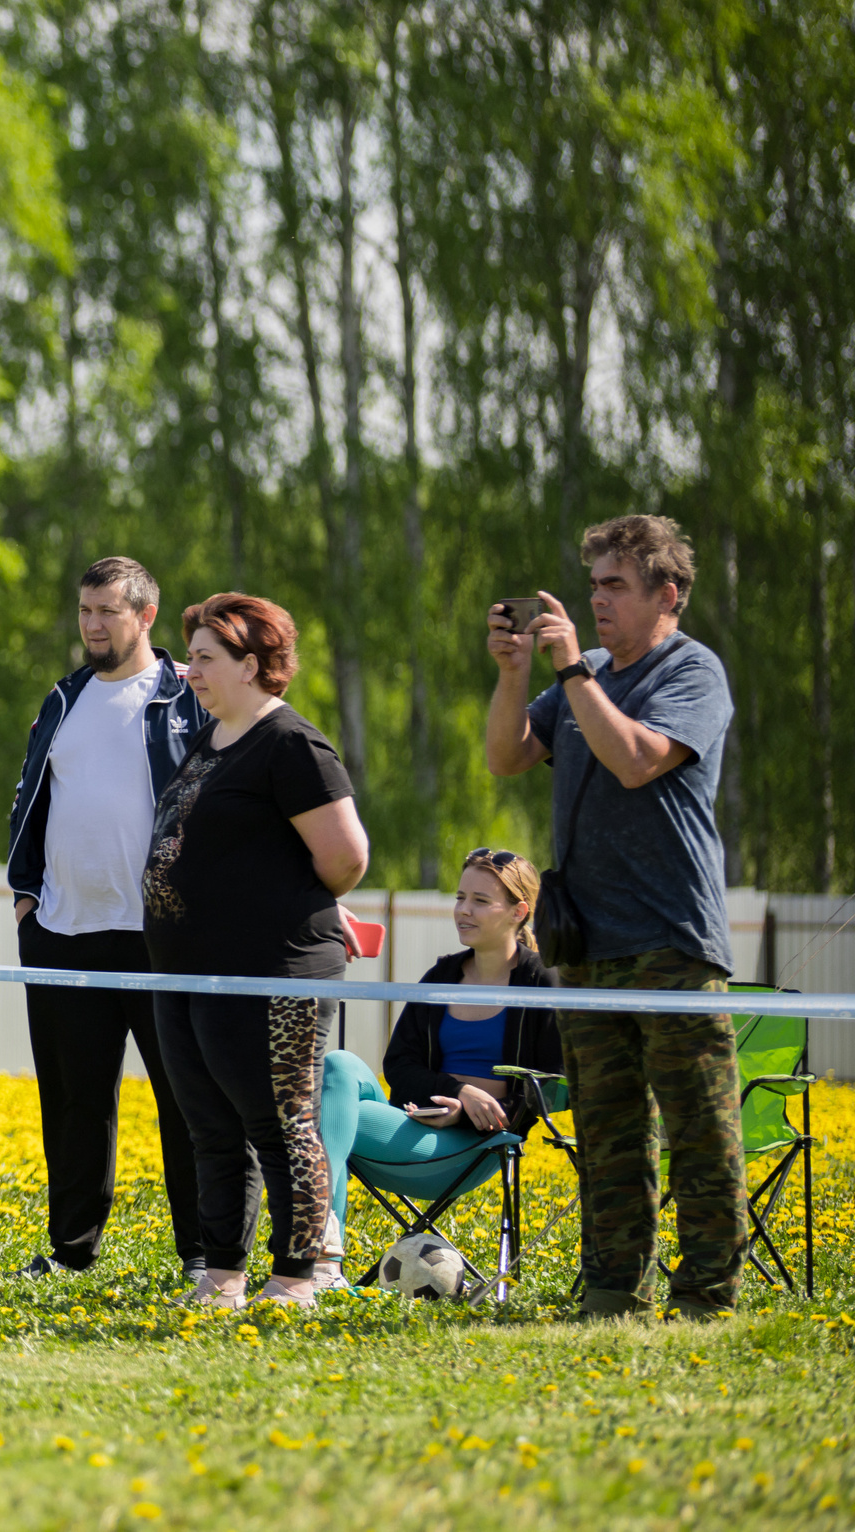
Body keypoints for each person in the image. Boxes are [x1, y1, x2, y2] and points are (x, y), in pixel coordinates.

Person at [484, 513, 744, 1318]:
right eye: (592, 583)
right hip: (586, 941)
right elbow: (506, 757)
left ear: (668, 594)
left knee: (700, 1129)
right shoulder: (582, 672)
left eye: (615, 586)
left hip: (671, 938)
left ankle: (706, 1296)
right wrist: (514, 670)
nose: (596, 601)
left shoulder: (693, 671)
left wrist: (569, 674)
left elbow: (635, 761)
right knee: (605, 1132)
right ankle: (611, 1293)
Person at [143, 594, 369, 1310]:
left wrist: (271, 899)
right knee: (210, 1127)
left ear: (252, 664)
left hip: (271, 975)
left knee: (280, 1123)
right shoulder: (209, 743)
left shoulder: (291, 745)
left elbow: (345, 860)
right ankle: (221, 1276)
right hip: (186, 972)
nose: (191, 672)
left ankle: (298, 1276)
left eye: (206, 658)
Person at [4, 556, 219, 1285]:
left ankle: (203, 1257)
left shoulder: (190, 701)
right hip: (63, 935)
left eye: (108, 612)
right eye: (85, 611)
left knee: (187, 1101)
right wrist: (26, 900)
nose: (93, 626)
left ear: (146, 616)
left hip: (162, 938)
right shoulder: (62, 701)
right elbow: (28, 800)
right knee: (73, 1105)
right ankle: (71, 1255)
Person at [316, 848, 561, 1271]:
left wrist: (466, 1112)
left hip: (472, 1146)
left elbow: (551, 1084)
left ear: (519, 912)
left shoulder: (542, 981)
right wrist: (457, 1092)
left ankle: (317, 1256)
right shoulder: (442, 976)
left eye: (480, 901)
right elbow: (400, 1066)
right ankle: (324, 1240)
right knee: (337, 1064)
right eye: (459, 897)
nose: (463, 910)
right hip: (412, 1122)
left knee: (338, 1116)